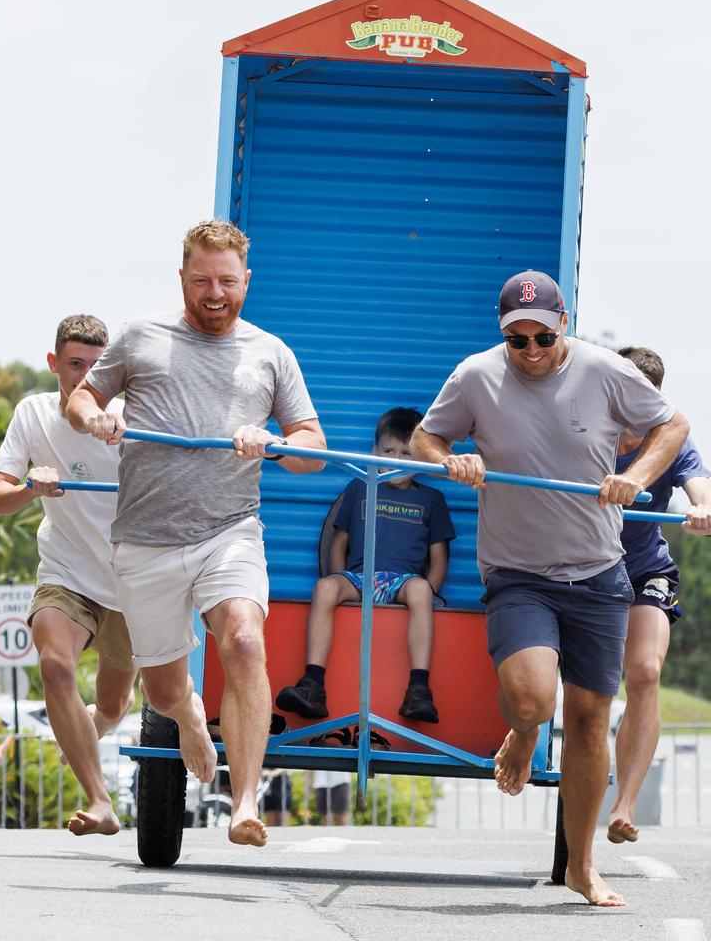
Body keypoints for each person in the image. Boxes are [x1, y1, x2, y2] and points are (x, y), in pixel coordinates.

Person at [411, 270, 689, 908]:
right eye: (518, 341)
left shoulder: (604, 371)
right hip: (518, 573)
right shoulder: (477, 375)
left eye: (542, 338)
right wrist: (450, 459)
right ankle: (526, 729)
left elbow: (674, 425)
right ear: (502, 334)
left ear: (564, 322)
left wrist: (639, 474)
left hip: (597, 572)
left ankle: (581, 866)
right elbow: (429, 434)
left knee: (591, 720)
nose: (531, 352)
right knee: (533, 697)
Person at [66, 220, 325, 848]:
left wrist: (276, 443)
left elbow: (312, 448)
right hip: (146, 540)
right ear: (182, 276)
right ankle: (185, 717)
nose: (215, 293)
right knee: (161, 687)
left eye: (228, 282)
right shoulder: (140, 336)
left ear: (247, 281)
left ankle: (243, 802)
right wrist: (94, 416)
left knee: (243, 642)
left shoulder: (270, 352)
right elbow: (78, 398)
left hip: (228, 530)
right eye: (203, 280)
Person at [0, 315, 136, 837]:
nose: (84, 378)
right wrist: (31, 486)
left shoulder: (129, 418)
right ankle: (100, 802)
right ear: (54, 365)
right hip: (66, 575)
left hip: (129, 584)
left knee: (115, 703)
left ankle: (96, 723)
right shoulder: (33, 414)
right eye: (75, 365)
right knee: (54, 664)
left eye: (97, 368)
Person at [276, 407, 454, 724]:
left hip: (403, 582)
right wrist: (338, 580)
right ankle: (313, 684)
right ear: (374, 452)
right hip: (359, 578)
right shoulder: (360, 488)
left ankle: (419, 689)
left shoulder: (432, 499)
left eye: (406, 453)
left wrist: (429, 592)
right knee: (325, 587)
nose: (396, 460)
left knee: (419, 590)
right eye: (388, 451)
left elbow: (439, 558)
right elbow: (338, 542)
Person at [607, 347, 711, 845]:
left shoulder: (671, 437)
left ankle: (625, 803)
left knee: (645, 673)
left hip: (646, 570)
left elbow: (701, 487)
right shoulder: (589, 431)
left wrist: (703, 509)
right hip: (585, 570)